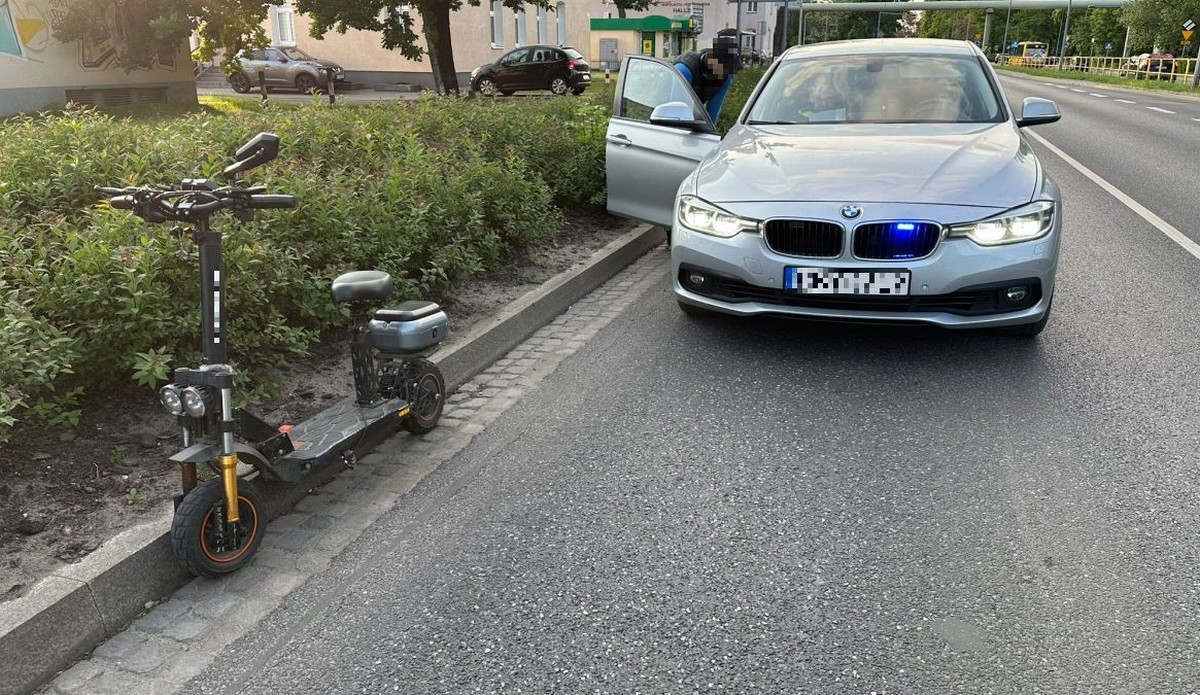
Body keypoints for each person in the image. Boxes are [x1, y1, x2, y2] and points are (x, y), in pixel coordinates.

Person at [672, 36, 743, 122]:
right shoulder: (684, 70)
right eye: (726, 67)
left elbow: (711, 116)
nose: (728, 72)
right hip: (661, 114)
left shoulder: (726, 77)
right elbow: (676, 112)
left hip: (688, 115)